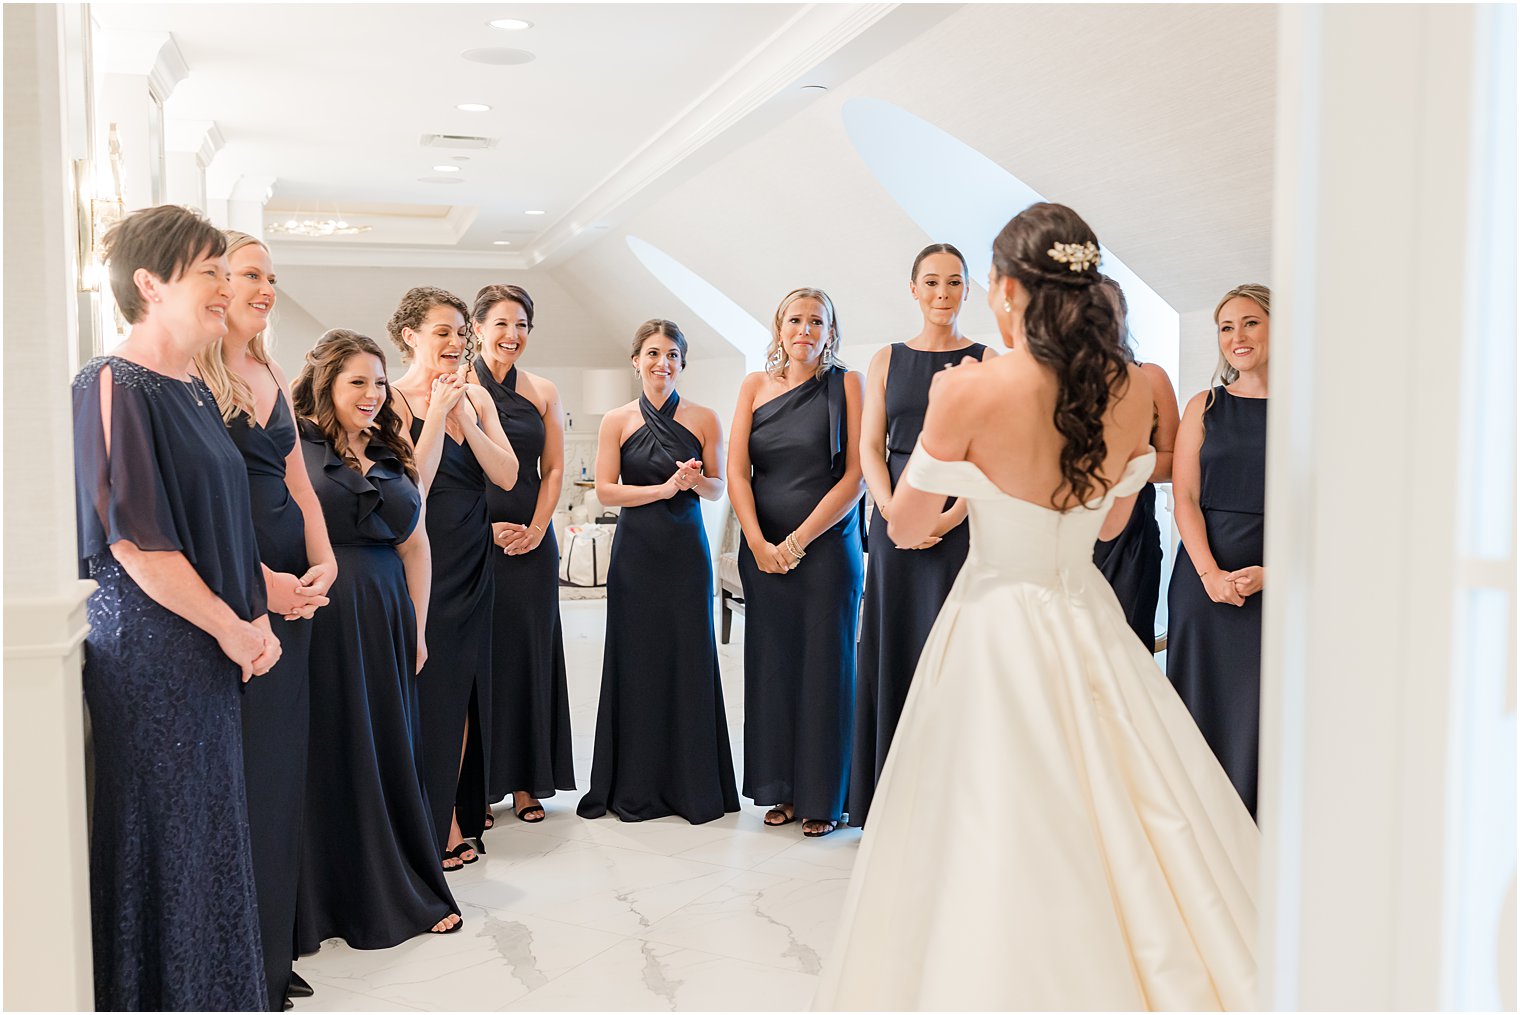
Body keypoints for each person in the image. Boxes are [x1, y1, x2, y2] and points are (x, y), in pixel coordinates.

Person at [814, 203, 1258, 1011]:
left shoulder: (970, 388)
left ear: (1011, 290)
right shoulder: (1128, 390)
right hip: (1084, 610)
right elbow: (1116, 521)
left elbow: (905, 529)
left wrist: (971, 489)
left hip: (993, 616)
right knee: (1129, 801)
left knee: (990, 812)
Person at [72, 204, 279, 1011]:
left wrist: (254, 608)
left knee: (210, 839)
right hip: (156, 656)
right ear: (150, 284)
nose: (226, 288)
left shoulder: (194, 387)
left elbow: (211, 528)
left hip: (209, 647)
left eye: (227, 273)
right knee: (171, 841)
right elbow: (138, 544)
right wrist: (233, 625)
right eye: (210, 273)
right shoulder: (111, 382)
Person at [192, 230, 337, 1011]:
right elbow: (198, 508)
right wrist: (264, 585)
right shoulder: (192, 375)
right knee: (244, 775)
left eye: (271, 277)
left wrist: (325, 562)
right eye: (251, 274)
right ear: (215, 280)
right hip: (241, 589)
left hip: (298, 591)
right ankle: (242, 954)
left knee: (284, 772)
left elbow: (302, 487)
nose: (265, 288)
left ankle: (277, 947)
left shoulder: (275, 368)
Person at [292, 329, 462, 951]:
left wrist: (417, 626)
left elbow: (416, 543)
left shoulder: (393, 449)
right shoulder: (299, 448)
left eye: (379, 382)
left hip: (390, 618)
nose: (371, 394)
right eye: (356, 382)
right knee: (336, 751)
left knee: (389, 747)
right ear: (327, 385)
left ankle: (396, 882)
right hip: (326, 620)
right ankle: (331, 898)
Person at [849, 243, 994, 827]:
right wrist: (891, 512)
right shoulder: (886, 359)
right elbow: (869, 446)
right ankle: (889, 801)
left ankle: (951, 805)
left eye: (954, 283)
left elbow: (990, 452)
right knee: (893, 644)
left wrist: (950, 516)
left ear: (966, 291)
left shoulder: (988, 360)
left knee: (954, 649)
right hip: (893, 516)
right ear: (912, 288)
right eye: (931, 282)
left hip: (961, 519)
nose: (942, 294)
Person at [577, 319, 740, 824]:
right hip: (637, 553)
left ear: (682, 363)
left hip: (686, 553)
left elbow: (719, 488)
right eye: (652, 353)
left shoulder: (706, 417)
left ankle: (690, 783)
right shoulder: (616, 420)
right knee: (636, 659)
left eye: (671, 355)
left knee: (688, 657)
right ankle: (633, 781)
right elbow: (605, 491)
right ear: (636, 361)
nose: (661, 363)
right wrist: (663, 490)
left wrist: (693, 484)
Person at [387, 286, 519, 869]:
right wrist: (438, 414)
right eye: (442, 331)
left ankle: (453, 814)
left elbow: (508, 476)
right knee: (423, 690)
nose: (455, 342)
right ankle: (421, 820)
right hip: (419, 559)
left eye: (461, 332)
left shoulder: (479, 398)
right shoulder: (387, 399)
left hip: (473, 559)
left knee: (463, 690)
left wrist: (468, 413)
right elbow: (412, 484)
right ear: (410, 336)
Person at [727, 288, 865, 838]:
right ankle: (778, 788)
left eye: (816, 321)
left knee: (827, 669)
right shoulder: (753, 387)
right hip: (763, 552)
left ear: (830, 331)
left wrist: (798, 542)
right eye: (795, 320)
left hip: (828, 550)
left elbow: (855, 476)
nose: (805, 330)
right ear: (778, 327)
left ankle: (824, 798)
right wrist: (760, 543)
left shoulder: (846, 385)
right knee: (773, 666)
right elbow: (738, 472)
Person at [468, 284, 575, 826]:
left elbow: (553, 468)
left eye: (523, 325)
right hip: (472, 539)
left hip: (532, 543)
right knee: (480, 659)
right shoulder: (458, 387)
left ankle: (530, 783)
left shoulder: (543, 390)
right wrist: (484, 532)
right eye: (502, 324)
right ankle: (480, 786)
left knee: (529, 654)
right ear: (478, 327)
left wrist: (537, 528)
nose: (513, 336)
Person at [1166, 284, 1271, 818]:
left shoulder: (1314, 413)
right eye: (1226, 328)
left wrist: (1271, 574)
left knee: (1260, 711)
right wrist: (1210, 575)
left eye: (1249, 323)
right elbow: (1183, 497)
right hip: (1202, 578)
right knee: (1197, 704)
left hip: (1275, 577)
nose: (1237, 337)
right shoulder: (1203, 406)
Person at [1091, 275, 1180, 651]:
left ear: (1123, 316)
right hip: (1067, 531)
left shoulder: (1150, 377)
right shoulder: (1053, 385)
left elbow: (1175, 462)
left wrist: (1120, 468)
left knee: (1127, 648)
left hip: (1132, 534)